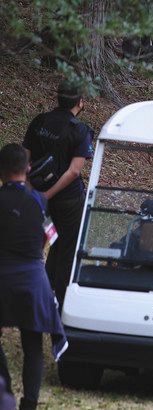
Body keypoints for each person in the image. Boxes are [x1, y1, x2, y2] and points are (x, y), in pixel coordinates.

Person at [0, 143, 68, 410]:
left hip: (2, 276)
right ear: (27, 169)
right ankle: (29, 404)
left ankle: (4, 388)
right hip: (32, 279)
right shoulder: (39, 200)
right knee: (33, 345)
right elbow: (51, 236)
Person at [23, 80, 94, 305]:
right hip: (68, 202)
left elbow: (25, 159)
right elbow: (74, 171)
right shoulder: (80, 130)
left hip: (40, 199)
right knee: (66, 249)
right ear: (80, 102)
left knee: (50, 241)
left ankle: (42, 290)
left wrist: (34, 191)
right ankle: (59, 300)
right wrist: (49, 194)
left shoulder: (39, 121)